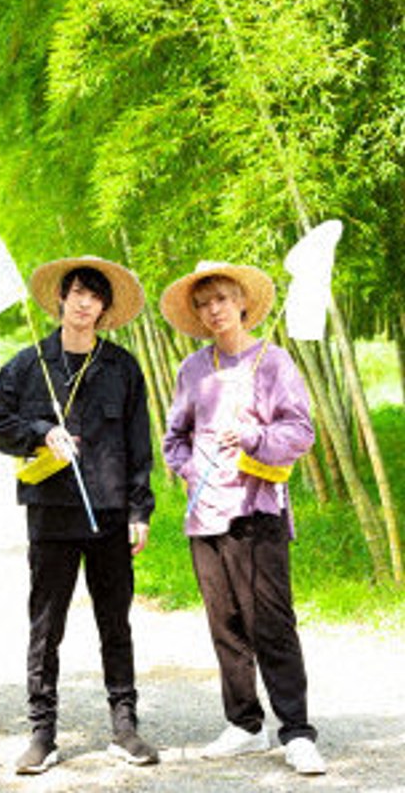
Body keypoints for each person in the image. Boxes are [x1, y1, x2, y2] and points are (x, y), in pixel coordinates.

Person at [0, 256, 159, 774]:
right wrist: (41, 432)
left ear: (105, 308)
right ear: (61, 299)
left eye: (95, 295)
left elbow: (138, 444)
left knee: (115, 622)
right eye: (77, 292)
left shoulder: (122, 368)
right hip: (51, 514)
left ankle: (124, 727)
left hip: (110, 514)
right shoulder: (26, 365)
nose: (85, 303)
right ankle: (42, 734)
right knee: (46, 626)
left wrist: (139, 509)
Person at [161, 260, 326, 776]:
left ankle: (296, 731)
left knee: (271, 623)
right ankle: (245, 724)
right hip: (205, 514)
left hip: (258, 510)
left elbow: (300, 431)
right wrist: (191, 469)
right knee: (226, 625)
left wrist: (254, 437)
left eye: (222, 300)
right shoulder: (193, 369)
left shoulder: (274, 362)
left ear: (243, 304)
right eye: (203, 304)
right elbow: (174, 438)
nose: (214, 310)